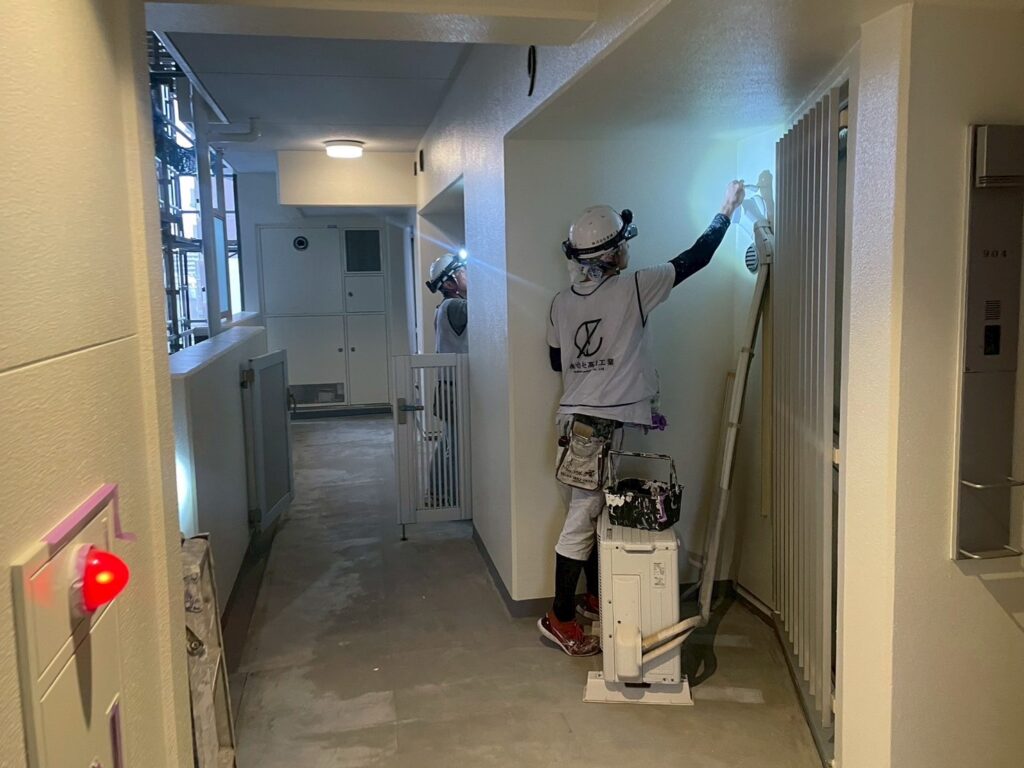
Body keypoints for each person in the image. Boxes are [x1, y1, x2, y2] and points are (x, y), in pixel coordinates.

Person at [539, 181, 746, 656]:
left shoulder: (560, 302)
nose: (628, 250)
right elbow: (696, 258)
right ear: (611, 254)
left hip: (578, 423)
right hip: (595, 428)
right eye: (623, 244)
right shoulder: (634, 286)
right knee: (581, 519)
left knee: (594, 512)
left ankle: (593, 598)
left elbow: (556, 361)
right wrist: (726, 209)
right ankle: (559, 618)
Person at [425, 252, 469, 506]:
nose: (469, 276)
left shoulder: (445, 307)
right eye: (463, 272)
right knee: (455, 446)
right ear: (450, 284)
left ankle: (438, 491)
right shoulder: (455, 307)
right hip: (454, 389)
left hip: (449, 386)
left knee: (449, 441)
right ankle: (448, 496)